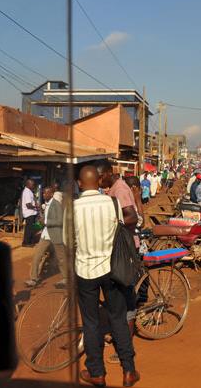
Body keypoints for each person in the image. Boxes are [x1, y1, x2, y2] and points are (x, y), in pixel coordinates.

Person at [68, 166, 140, 387]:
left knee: (91, 323)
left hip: (85, 271)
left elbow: (67, 242)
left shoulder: (71, 208)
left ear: (80, 183)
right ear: (98, 181)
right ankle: (129, 371)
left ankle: (97, 373)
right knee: (118, 318)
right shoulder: (112, 203)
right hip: (111, 270)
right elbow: (120, 228)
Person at [97, 162, 140, 365]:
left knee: (125, 296)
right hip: (118, 249)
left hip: (124, 250)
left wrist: (110, 223)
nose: (99, 181)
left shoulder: (120, 189)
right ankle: (119, 335)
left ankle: (127, 346)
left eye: (100, 177)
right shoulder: (112, 188)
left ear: (107, 173)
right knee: (117, 296)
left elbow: (132, 216)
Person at [25, 184, 66, 288]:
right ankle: (33, 279)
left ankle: (66, 278)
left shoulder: (56, 204)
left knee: (61, 258)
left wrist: (46, 221)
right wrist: (41, 223)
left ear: (51, 194)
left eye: (45, 193)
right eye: (43, 193)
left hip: (56, 235)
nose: (43, 195)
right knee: (37, 256)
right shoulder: (46, 204)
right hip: (46, 235)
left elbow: (60, 221)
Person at [21, 179, 39, 247]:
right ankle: (26, 242)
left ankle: (30, 241)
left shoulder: (29, 191)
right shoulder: (27, 192)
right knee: (29, 229)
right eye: (32, 184)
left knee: (31, 228)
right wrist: (36, 207)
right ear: (28, 184)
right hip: (29, 213)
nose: (33, 186)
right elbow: (28, 205)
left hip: (32, 213)